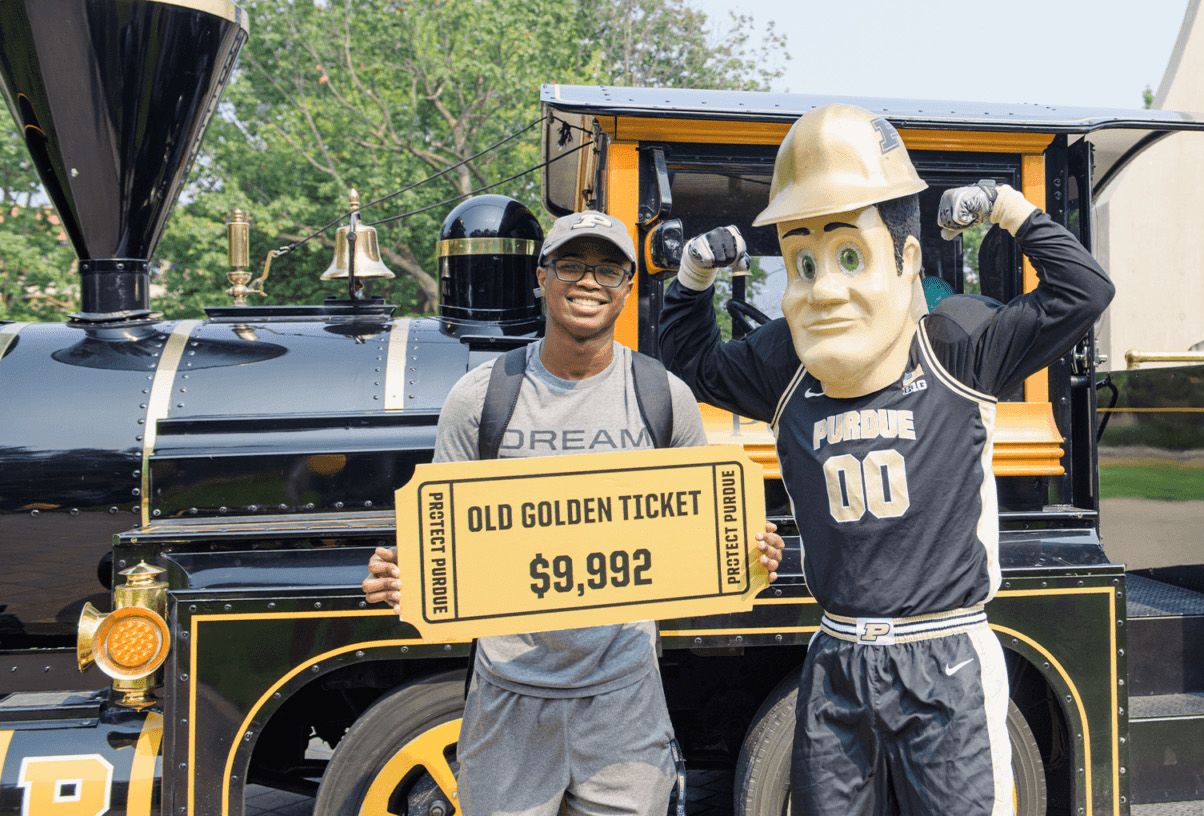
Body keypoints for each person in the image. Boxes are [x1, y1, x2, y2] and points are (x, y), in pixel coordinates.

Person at [658, 104, 1114, 816]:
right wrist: (689, 281)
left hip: (943, 657)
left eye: (848, 256)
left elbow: (1084, 292)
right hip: (839, 654)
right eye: (803, 264)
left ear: (905, 260)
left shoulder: (955, 348)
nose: (827, 288)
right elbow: (691, 365)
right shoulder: (786, 365)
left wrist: (1009, 208)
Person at [363, 207, 785, 816]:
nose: (589, 282)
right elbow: (442, 547)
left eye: (609, 270)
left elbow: (703, 539)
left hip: (624, 700)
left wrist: (747, 554)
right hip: (508, 699)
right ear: (542, 277)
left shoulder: (664, 397)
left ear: (627, 288)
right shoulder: (480, 399)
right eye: (571, 264)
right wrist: (407, 580)